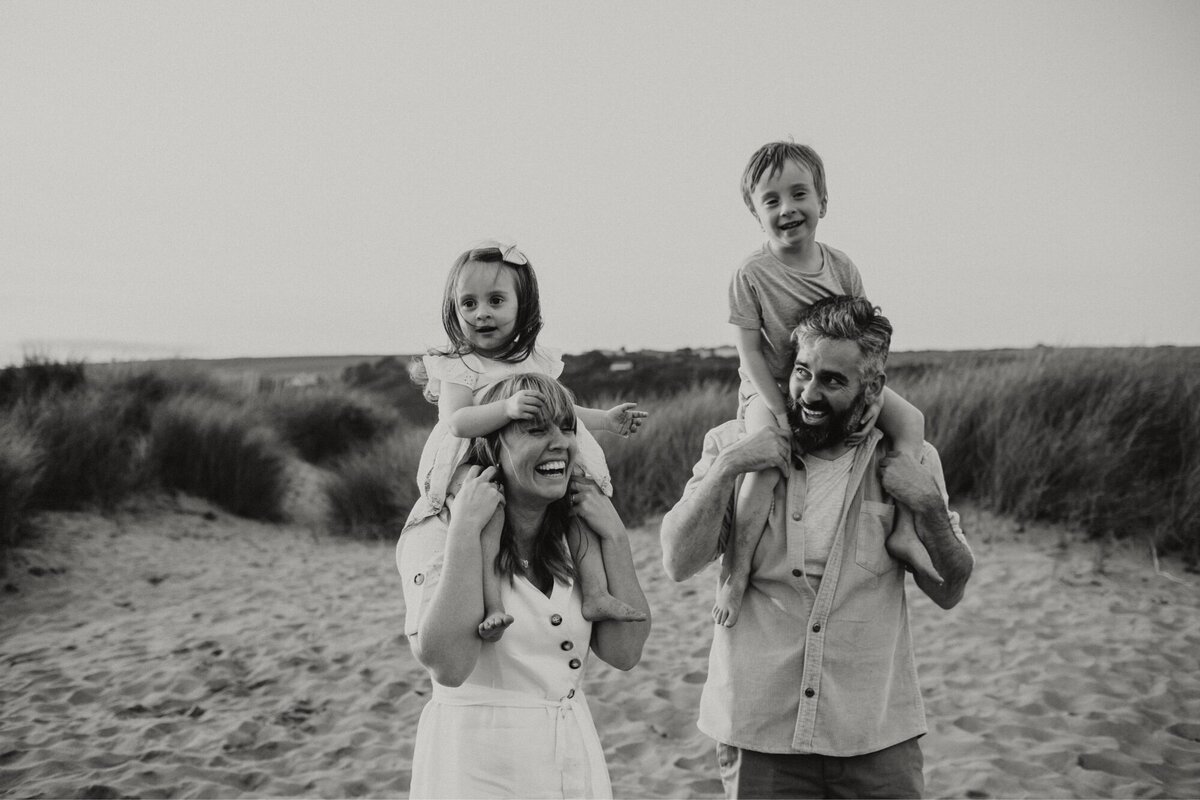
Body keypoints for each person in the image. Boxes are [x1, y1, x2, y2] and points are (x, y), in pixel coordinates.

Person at [661, 296, 974, 799]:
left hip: (874, 737)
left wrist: (929, 507)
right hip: (760, 734)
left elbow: (950, 590)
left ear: (872, 387)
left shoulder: (911, 458)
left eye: (832, 380)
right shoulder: (734, 443)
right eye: (802, 372)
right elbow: (677, 562)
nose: (808, 392)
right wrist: (727, 468)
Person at [398, 373, 651, 799]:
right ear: (492, 445)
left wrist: (616, 538)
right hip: (476, 769)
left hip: (572, 761)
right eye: (536, 430)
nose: (561, 444)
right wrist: (464, 533)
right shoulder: (436, 531)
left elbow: (624, 653)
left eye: (568, 428)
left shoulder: (575, 533)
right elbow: (449, 666)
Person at [718, 141, 939, 628]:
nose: (788, 209)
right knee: (765, 461)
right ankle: (735, 572)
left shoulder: (841, 267)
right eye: (771, 200)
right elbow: (749, 352)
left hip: (837, 383)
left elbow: (867, 341)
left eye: (799, 194)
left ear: (823, 201)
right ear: (754, 212)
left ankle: (904, 531)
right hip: (771, 386)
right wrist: (777, 411)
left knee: (913, 422)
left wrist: (870, 400)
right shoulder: (751, 273)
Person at [410, 239, 648, 639]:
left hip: (528, 458)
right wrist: (506, 408)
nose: (481, 313)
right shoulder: (460, 364)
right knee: (487, 516)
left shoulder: (535, 361)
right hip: (476, 460)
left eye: (496, 301)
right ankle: (492, 603)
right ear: (454, 309)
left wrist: (605, 420)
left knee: (580, 502)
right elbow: (458, 422)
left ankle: (595, 591)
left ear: (524, 307)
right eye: (468, 304)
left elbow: (559, 413)